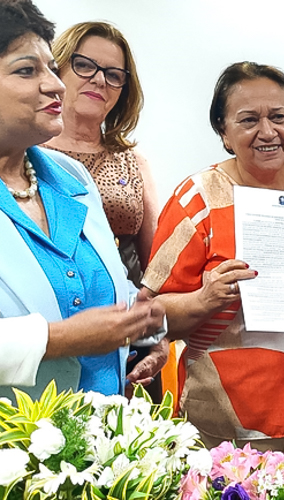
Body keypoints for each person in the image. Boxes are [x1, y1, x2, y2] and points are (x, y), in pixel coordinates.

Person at [142, 62, 284, 453]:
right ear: (223, 132)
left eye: (279, 117)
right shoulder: (197, 198)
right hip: (224, 417)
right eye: (248, 120)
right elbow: (151, 313)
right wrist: (203, 299)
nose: (267, 131)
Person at [0, 0, 165, 401]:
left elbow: (112, 286)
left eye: (51, 69)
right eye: (26, 70)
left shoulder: (70, 177)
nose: (56, 84)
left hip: (103, 439)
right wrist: (55, 339)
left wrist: (144, 324)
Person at [43, 21, 166, 400]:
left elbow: (157, 266)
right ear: (57, 68)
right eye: (85, 65)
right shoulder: (23, 154)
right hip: (47, 328)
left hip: (128, 336)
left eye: (114, 75)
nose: (99, 80)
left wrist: (159, 336)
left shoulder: (132, 160)